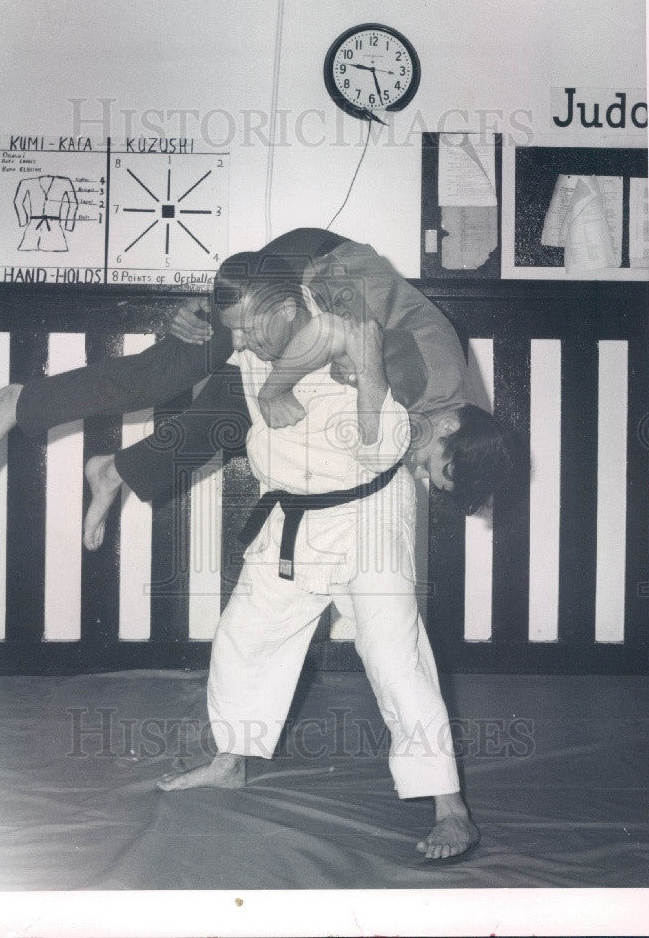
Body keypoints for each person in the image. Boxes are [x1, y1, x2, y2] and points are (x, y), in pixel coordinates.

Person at [153, 259, 480, 863]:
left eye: (250, 329)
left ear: (282, 308)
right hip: (294, 517)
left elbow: (377, 438)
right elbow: (178, 355)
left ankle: (449, 807)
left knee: (394, 657)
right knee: (243, 639)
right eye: (238, 332)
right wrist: (185, 319)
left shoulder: (347, 331)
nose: (243, 342)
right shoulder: (254, 330)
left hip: (370, 516)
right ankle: (231, 761)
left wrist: (340, 375)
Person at [0, 229, 519, 546]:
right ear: (450, 426)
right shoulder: (432, 379)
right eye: (432, 466)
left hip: (311, 300)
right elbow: (349, 333)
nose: (418, 471)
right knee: (166, 374)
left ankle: (115, 470)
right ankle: (21, 402)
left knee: (232, 413)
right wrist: (237, 331)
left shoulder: (452, 416)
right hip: (309, 269)